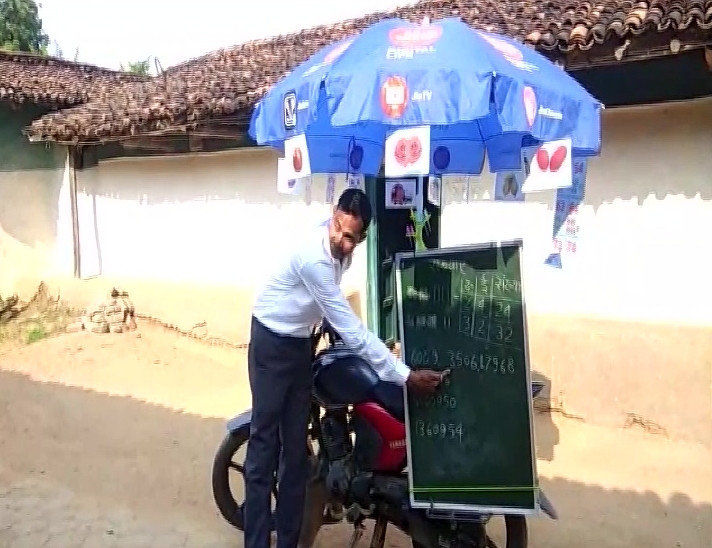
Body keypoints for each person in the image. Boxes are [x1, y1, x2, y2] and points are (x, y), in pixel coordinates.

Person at [244, 188, 444, 548]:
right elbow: (352, 328)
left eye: (353, 237)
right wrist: (404, 375)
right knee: (264, 448)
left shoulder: (342, 255)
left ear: (363, 235)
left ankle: (288, 542)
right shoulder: (314, 257)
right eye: (340, 229)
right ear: (332, 216)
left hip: (301, 344)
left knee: (295, 454)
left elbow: (331, 311)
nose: (344, 241)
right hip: (271, 344)